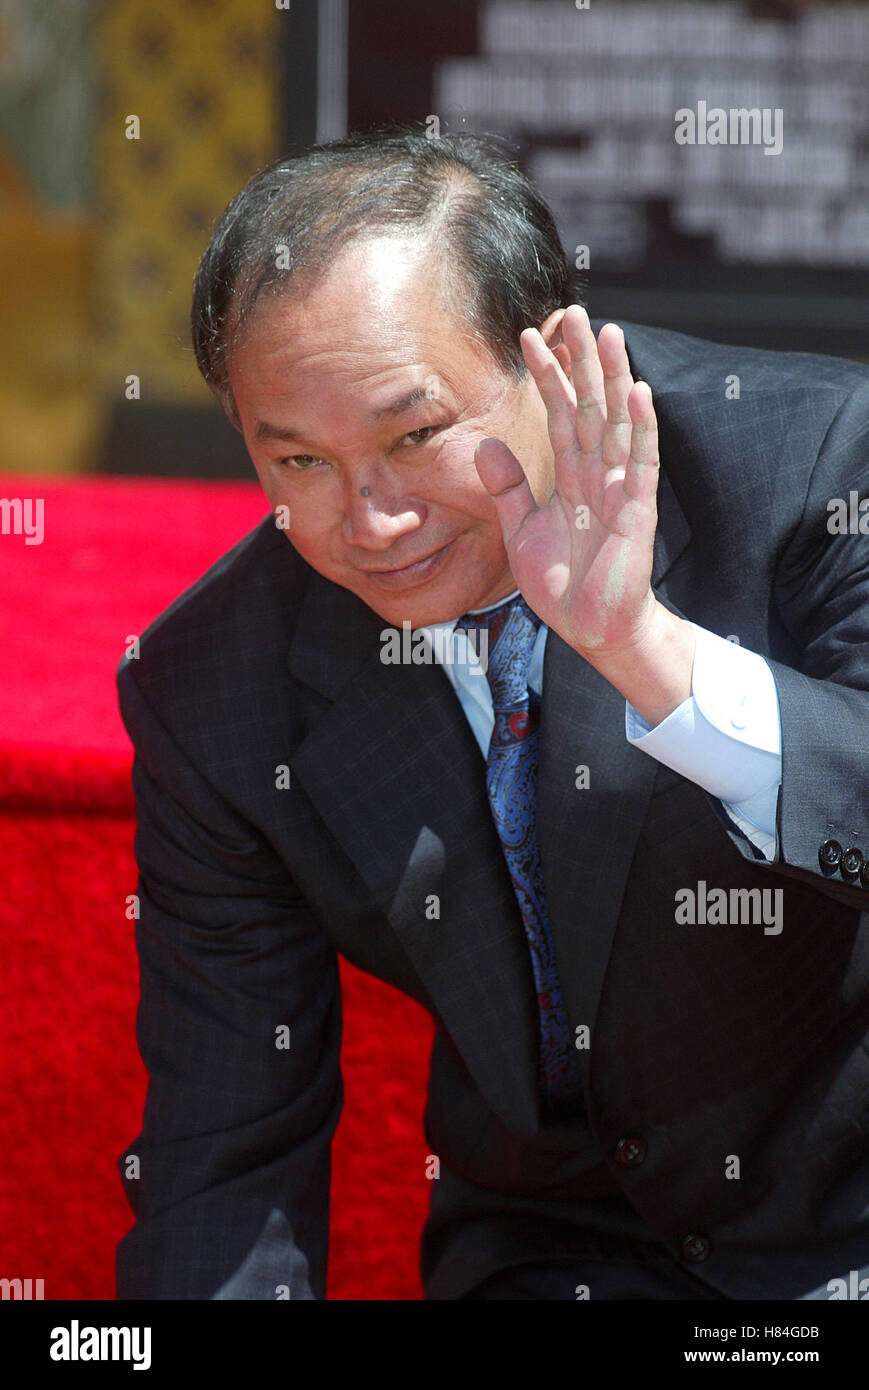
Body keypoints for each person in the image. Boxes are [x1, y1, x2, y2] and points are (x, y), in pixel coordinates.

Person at [115, 130, 869, 1301]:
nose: (370, 521)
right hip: (559, 1251)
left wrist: (647, 655)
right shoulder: (216, 684)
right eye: (300, 462)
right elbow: (225, 1145)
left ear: (548, 355)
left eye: (416, 437)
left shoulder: (816, 462)